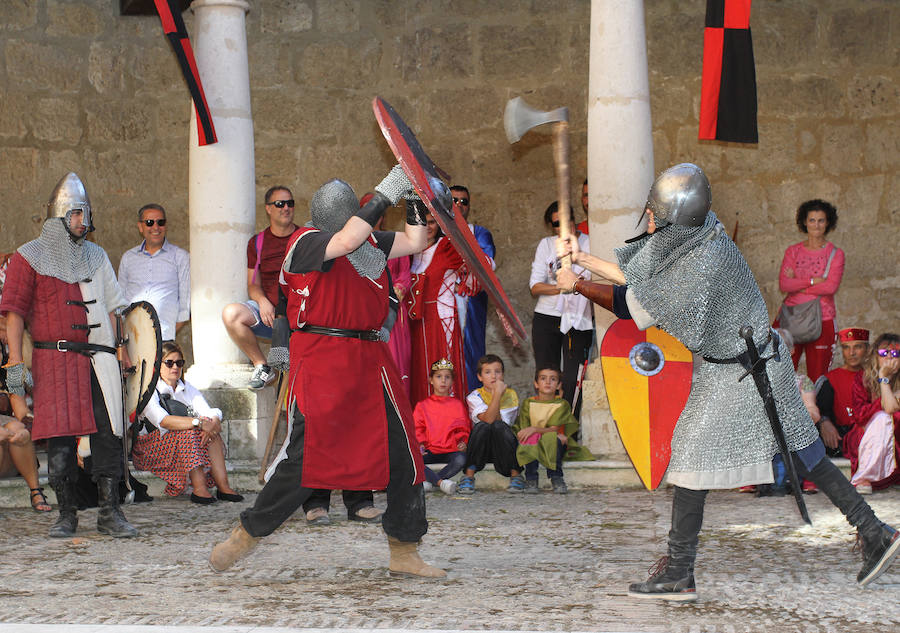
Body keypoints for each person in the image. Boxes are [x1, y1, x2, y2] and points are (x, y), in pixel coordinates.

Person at [556, 163, 898, 599]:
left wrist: (577, 285)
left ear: (671, 218)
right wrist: (584, 259)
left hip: (746, 372)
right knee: (806, 455)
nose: (651, 221)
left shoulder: (703, 261)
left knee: (696, 458)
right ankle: (875, 531)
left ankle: (680, 570)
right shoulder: (699, 231)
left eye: (656, 214)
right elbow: (644, 277)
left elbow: (632, 304)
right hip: (743, 364)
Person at [209, 167, 446, 578]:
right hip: (324, 357)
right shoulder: (306, 243)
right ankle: (247, 533)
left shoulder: (366, 242)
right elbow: (346, 239)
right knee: (308, 461)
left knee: (404, 452)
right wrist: (387, 190)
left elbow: (415, 240)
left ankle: (404, 550)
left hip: (372, 360)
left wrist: (413, 199)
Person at [0, 172, 137, 538]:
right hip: (54, 360)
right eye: (77, 213)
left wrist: (121, 351)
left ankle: (111, 513)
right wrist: (15, 366)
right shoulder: (29, 257)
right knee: (59, 437)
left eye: (85, 213)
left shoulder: (96, 255)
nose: (83, 221)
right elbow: (13, 314)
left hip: (100, 360)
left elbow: (112, 307)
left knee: (109, 435)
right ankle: (66, 515)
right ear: (59, 215)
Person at [132, 341, 243, 504]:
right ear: (158, 365)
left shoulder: (186, 388)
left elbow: (209, 411)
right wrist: (198, 422)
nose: (175, 367)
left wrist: (212, 422)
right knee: (188, 432)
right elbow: (164, 421)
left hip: (176, 445)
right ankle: (199, 489)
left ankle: (223, 487)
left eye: (179, 363)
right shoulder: (149, 391)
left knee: (211, 433)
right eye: (169, 363)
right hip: (150, 448)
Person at [221, 186, 299, 390]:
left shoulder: (304, 237)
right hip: (270, 317)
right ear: (268, 209)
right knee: (232, 314)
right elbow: (253, 284)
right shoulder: (258, 242)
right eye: (280, 204)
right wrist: (263, 302)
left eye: (290, 203)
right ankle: (262, 366)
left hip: (300, 319)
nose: (286, 208)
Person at [529, 201, 593, 418]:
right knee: (547, 376)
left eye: (567, 221)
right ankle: (544, 430)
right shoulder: (546, 245)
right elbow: (535, 286)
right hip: (546, 317)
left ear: (574, 221)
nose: (563, 227)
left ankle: (569, 433)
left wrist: (574, 285)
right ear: (551, 226)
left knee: (573, 378)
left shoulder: (590, 242)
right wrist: (565, 285)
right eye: (557, 223)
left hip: (579, 318)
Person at [776, 199, 844, 382]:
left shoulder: (835, 254)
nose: (816, 225)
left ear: (828, 222)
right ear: (804, 222)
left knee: (818, 376)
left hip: (822, 318)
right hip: (790, 317)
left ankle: (817, 411)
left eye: (821, 220)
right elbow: (784, 285)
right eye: (812, 220)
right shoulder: (793, 251)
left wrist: (797, 282)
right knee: (782, 372)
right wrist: (813, 281)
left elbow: (830, 287)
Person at [408, 211, 467, 406]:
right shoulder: (407, 251)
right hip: (414, 324)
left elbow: (481, 265)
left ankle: (449, 428)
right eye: (422, 223)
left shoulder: (446, 247)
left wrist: (458, 286)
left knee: (441, 371)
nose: (427, 227)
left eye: (432, 222)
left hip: (441, 320)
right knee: (418, 370)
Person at [514, 365, 593, 494]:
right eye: (543, 378)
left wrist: (535, 429)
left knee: (552, 438)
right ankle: (531, 478)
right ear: (536, 384)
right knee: (529, 437)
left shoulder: (561, 404)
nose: (548, 382)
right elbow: (524, 429)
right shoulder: (528, 403)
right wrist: (533, 431)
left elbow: (553, 429)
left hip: (554, 443)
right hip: (533, 442)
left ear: (558, 385)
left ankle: (556, 477)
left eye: (553, 379)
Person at [117, 203, 190, 342]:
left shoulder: (180, 257)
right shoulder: (128, 257)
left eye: (160, 222)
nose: (155, 227)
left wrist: (164, 337)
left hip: (164, 339)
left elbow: (185, 306)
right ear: (140, 227)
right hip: (132, 339)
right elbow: (120, 301)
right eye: (149, 223)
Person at [449, 185, 496, 390]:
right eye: (454, 200)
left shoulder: (479, 233)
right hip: (441, 302)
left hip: (470, 304)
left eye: (464, 201)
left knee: (470, 353)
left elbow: (487, 263)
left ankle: (471, 407)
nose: (459, 205)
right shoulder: (433, 230)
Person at [458, 354, 522, 494]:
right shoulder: (474, 396)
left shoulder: (511, 395)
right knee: (482, 426)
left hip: (503, 450)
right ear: (480, 377)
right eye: (488, 372)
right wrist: (497, 394)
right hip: (481, 450)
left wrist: (497, 394)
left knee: (499, 426)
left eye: (497, 372)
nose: (493, 376)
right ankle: (469, 475)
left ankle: (515, 474)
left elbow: (499, 421)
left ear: (503, 375)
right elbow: (487, 420)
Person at [846, 334, 900, 495]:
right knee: (882, 418)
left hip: (896, 437)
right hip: (864, 434)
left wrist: (884, 382)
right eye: (884, 353)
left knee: (886, 417)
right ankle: (865, 476)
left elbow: (890, 407)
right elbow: (859, 416)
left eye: (895, 353)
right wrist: (884, 379)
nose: (889, 357)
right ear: (875, 355)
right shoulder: (862, 379)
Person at [413, 358, 470, 495]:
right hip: (429, 450)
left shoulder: (457, 405)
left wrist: (463, 442)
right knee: (411, 458)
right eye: (439, 376)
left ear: (452, 381)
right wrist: (420, 444)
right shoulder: (422, 406)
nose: (443, 381)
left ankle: (431, 481)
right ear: (431, 380)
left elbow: (464, 428)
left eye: (447, 377)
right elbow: (417, 428)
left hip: (450, 449)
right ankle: (440, 483)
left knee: (461, 459)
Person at [815, 327, 870, 459]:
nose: (852, 353)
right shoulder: (828, 380)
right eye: (846, 347)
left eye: (858, 347)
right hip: (840, 439)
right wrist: (824, 422)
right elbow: (821, 411)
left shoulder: (874, 378)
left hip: (870, 437)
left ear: (867, 350)